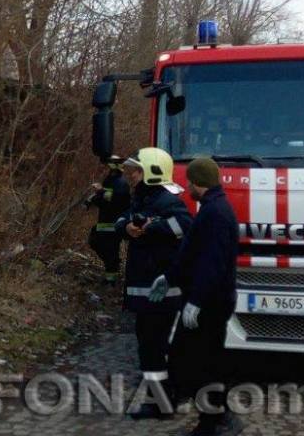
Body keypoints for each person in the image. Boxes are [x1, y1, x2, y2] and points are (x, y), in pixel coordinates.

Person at [149, 156, 242, 436]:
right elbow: (192, 254)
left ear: (197, 182)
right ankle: (213, 415)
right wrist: (170, 278)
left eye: (188, 180)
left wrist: (196, 302)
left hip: (209, 303)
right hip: (208, 300)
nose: (185, 184)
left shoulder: (215, 213)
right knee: (188, 358)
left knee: (202, 362)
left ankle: (215, 422)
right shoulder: (213, 208)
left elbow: (211, 264)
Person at [115, 147, 193, 420]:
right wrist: (126, 227)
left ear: (150, 172)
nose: (130, 175)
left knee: (155, 348)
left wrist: (150, 227)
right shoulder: (142, 198)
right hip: (145, 290)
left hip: (161, 293)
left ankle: (161, 403)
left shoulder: (166, 200)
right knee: (148, 346)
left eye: (135, 170)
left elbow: (183, 225)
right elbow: (122, 219)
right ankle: (161, 400)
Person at [86, 155, 130, 284]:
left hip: (114, 222)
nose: (105, 168)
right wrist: (92, 200)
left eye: (107, 166)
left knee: (110, 250)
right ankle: (111, 269)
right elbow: (104, 200)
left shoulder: (121, 183)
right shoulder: (110, 180)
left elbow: (117, 200)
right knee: (96, 242)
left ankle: (111, 279)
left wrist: (101, 191)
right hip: (105, 221)